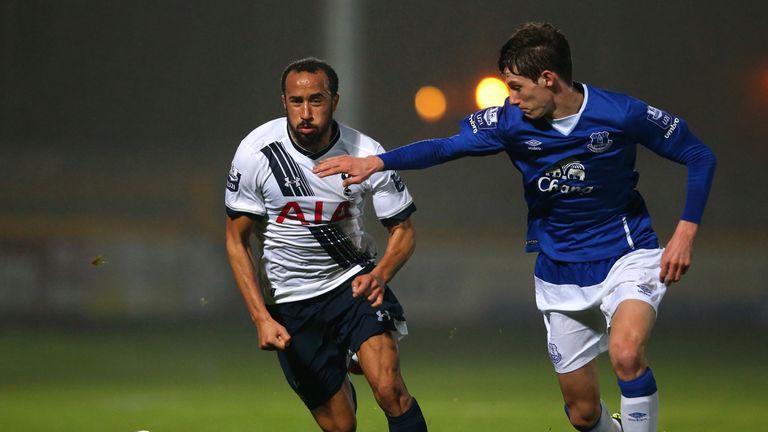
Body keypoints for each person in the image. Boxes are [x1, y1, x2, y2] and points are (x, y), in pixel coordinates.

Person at [314, 23, 716, 432]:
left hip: (626, 255)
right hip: (559, 270)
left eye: (517, 87)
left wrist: (685, 231)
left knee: (627, 354)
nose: (513, 98)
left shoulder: (621, 113)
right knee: (583, 414)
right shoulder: (510, 122)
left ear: (548, 79)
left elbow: (698, 155)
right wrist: (376, 162)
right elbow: (444, 147)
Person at [225, 57, 427, 432]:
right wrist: (261, 319)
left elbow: (404, 230)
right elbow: (236, 241)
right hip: (290, 300)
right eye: (296, 101)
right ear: (283, 102)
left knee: (389, 389)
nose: (305, 112)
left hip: (353, 284)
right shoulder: (256, 153)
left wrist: (380, 275)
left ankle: (356, 349)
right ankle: (342, 366)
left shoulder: (365, 152)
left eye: (316, 100)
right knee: (340, 425)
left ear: (335, 102)